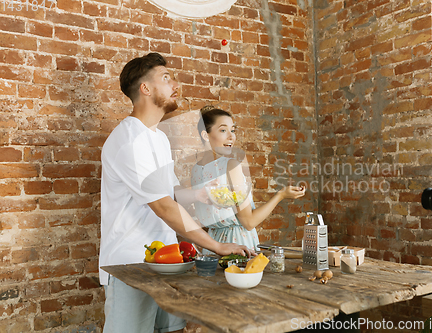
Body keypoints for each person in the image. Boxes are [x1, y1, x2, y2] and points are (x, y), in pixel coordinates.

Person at [98, 53, 254, 333]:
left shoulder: (156, 137)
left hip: (168, 260)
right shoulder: (131, 142)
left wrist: (200, 193)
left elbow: (171, 192)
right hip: (131, 265)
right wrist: (217, 246)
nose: (175, 84)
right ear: (146, 89)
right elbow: (164, 207)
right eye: (166, 78)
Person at [191, 106, 306, 254]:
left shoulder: (196, 169)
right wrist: (281, 195)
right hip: (238, 245)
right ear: (205, 135)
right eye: (223, 130)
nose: (231, 136)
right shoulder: (230, 165)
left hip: (211, 245)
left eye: (233, 130)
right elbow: (249, 222)